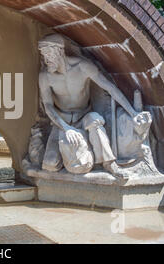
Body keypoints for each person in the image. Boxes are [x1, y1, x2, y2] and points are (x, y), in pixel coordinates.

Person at [38, 33, 151, 178]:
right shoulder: (45, 76)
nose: (45, 60)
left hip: (84, 116)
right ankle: (77, 147)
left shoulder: (83, 67)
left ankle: (109, 164)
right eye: (43, 55)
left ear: (59, 51)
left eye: (48, 54)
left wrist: (133, 113)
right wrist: (66, 128)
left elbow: (110, 88)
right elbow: (48, 106)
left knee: (95, 121)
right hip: (61, 123)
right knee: (50, 164)